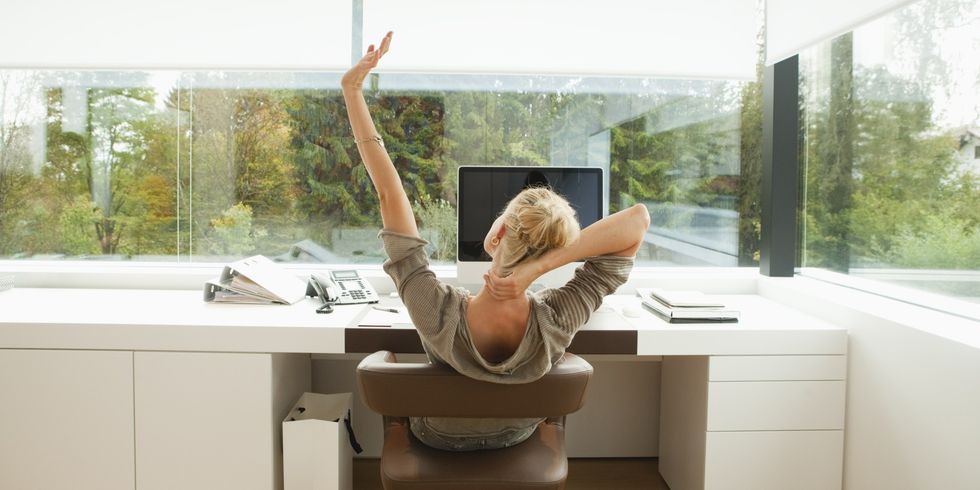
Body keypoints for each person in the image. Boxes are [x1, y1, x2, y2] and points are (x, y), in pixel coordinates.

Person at [341, 32, 651, 451]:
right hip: (516, 437)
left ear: (496, 235)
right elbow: (637, 221)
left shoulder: (436, 309)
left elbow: (388, 193)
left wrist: (352, 90)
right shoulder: (559, 318)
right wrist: (538, 269)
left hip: (437, 439)